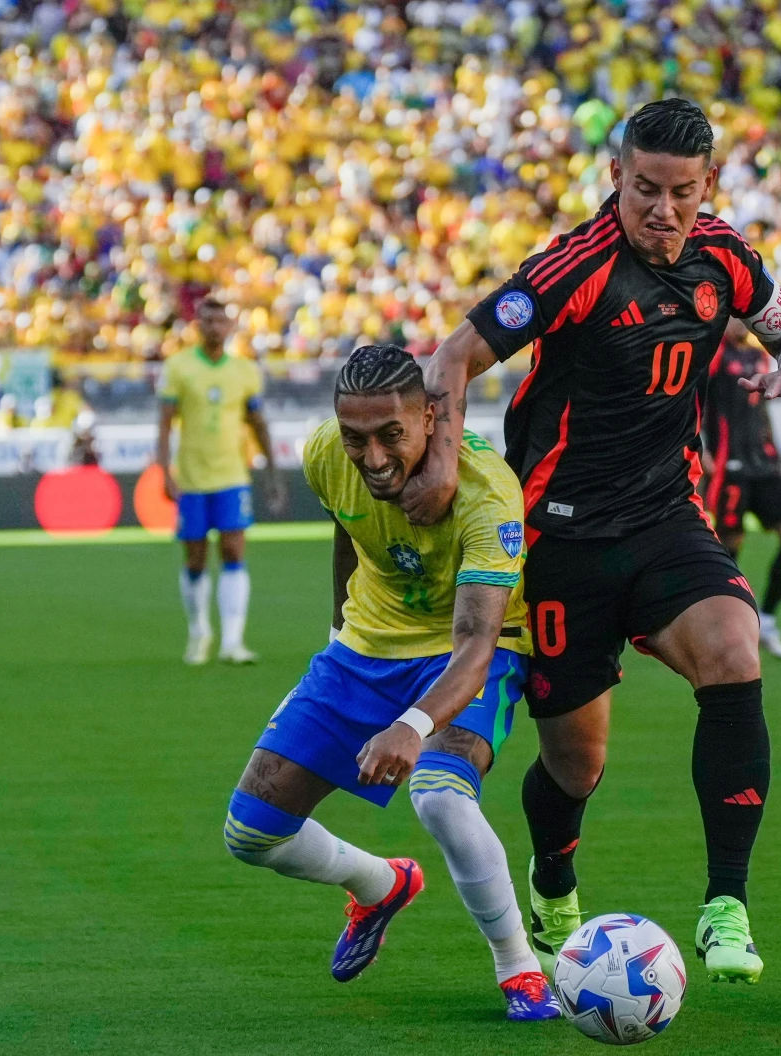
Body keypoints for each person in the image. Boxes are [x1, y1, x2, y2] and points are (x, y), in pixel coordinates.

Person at [403, 98, 781, 984]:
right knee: (577, 763)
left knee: (734, 649)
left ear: (708, 185)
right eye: (644, 190)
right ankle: (553, 875)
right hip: (560, 542)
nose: (661, 210)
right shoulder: (574, 267)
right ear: (615, 180)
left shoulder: (728, 257)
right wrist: (444, 471)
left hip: (668, 518)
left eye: (680, 192)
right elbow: (450, 357)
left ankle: (726, 904)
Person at [222, 345, 559, 1021]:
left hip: (468, 653)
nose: (372, 458)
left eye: (390, 436)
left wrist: (411, 726)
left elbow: (476, 645)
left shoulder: (488, 494)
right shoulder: (325, 454)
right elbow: (349, 531)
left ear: (432, 417)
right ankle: (380, 884)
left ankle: (518, 967)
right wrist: (335, 634)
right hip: (364, 648)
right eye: (356, 439)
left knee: (439, 797)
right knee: (252, 832)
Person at [156, 290, 285, 666]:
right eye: (206, 320)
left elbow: (258, 423)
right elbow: (164, 424)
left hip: (232, 475)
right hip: (193, 477)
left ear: (230, 326)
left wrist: (272, 472)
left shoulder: (245, 371)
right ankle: (199, 632)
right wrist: (164, 470)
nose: (213, 326)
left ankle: (233, 640)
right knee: (195, 558)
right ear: (198, 325)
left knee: (233, 551)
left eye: (220, 320)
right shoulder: (178, 367)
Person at [703, 321, 781, 661]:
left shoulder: (759, 357)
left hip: (764, 462)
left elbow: (761, 409)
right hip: (727, 463)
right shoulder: (710, 354)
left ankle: (767, 618)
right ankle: (724, 626)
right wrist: (699, 448)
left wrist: (776, 454)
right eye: (736, 316)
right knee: (729, 547)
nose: (742, 322)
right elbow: (692, 402)